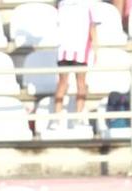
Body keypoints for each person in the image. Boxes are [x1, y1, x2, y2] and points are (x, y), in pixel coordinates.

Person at [52, 0, 98, 130]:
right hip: (70, 48)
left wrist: (95, 49)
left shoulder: (84, 4)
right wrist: (96, 49)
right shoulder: (64, 4)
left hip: (74, 48)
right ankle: (61, 117)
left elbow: (92, 27)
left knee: (74, 83)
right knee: (69, 83)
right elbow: (92, 27)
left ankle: (71, 117)